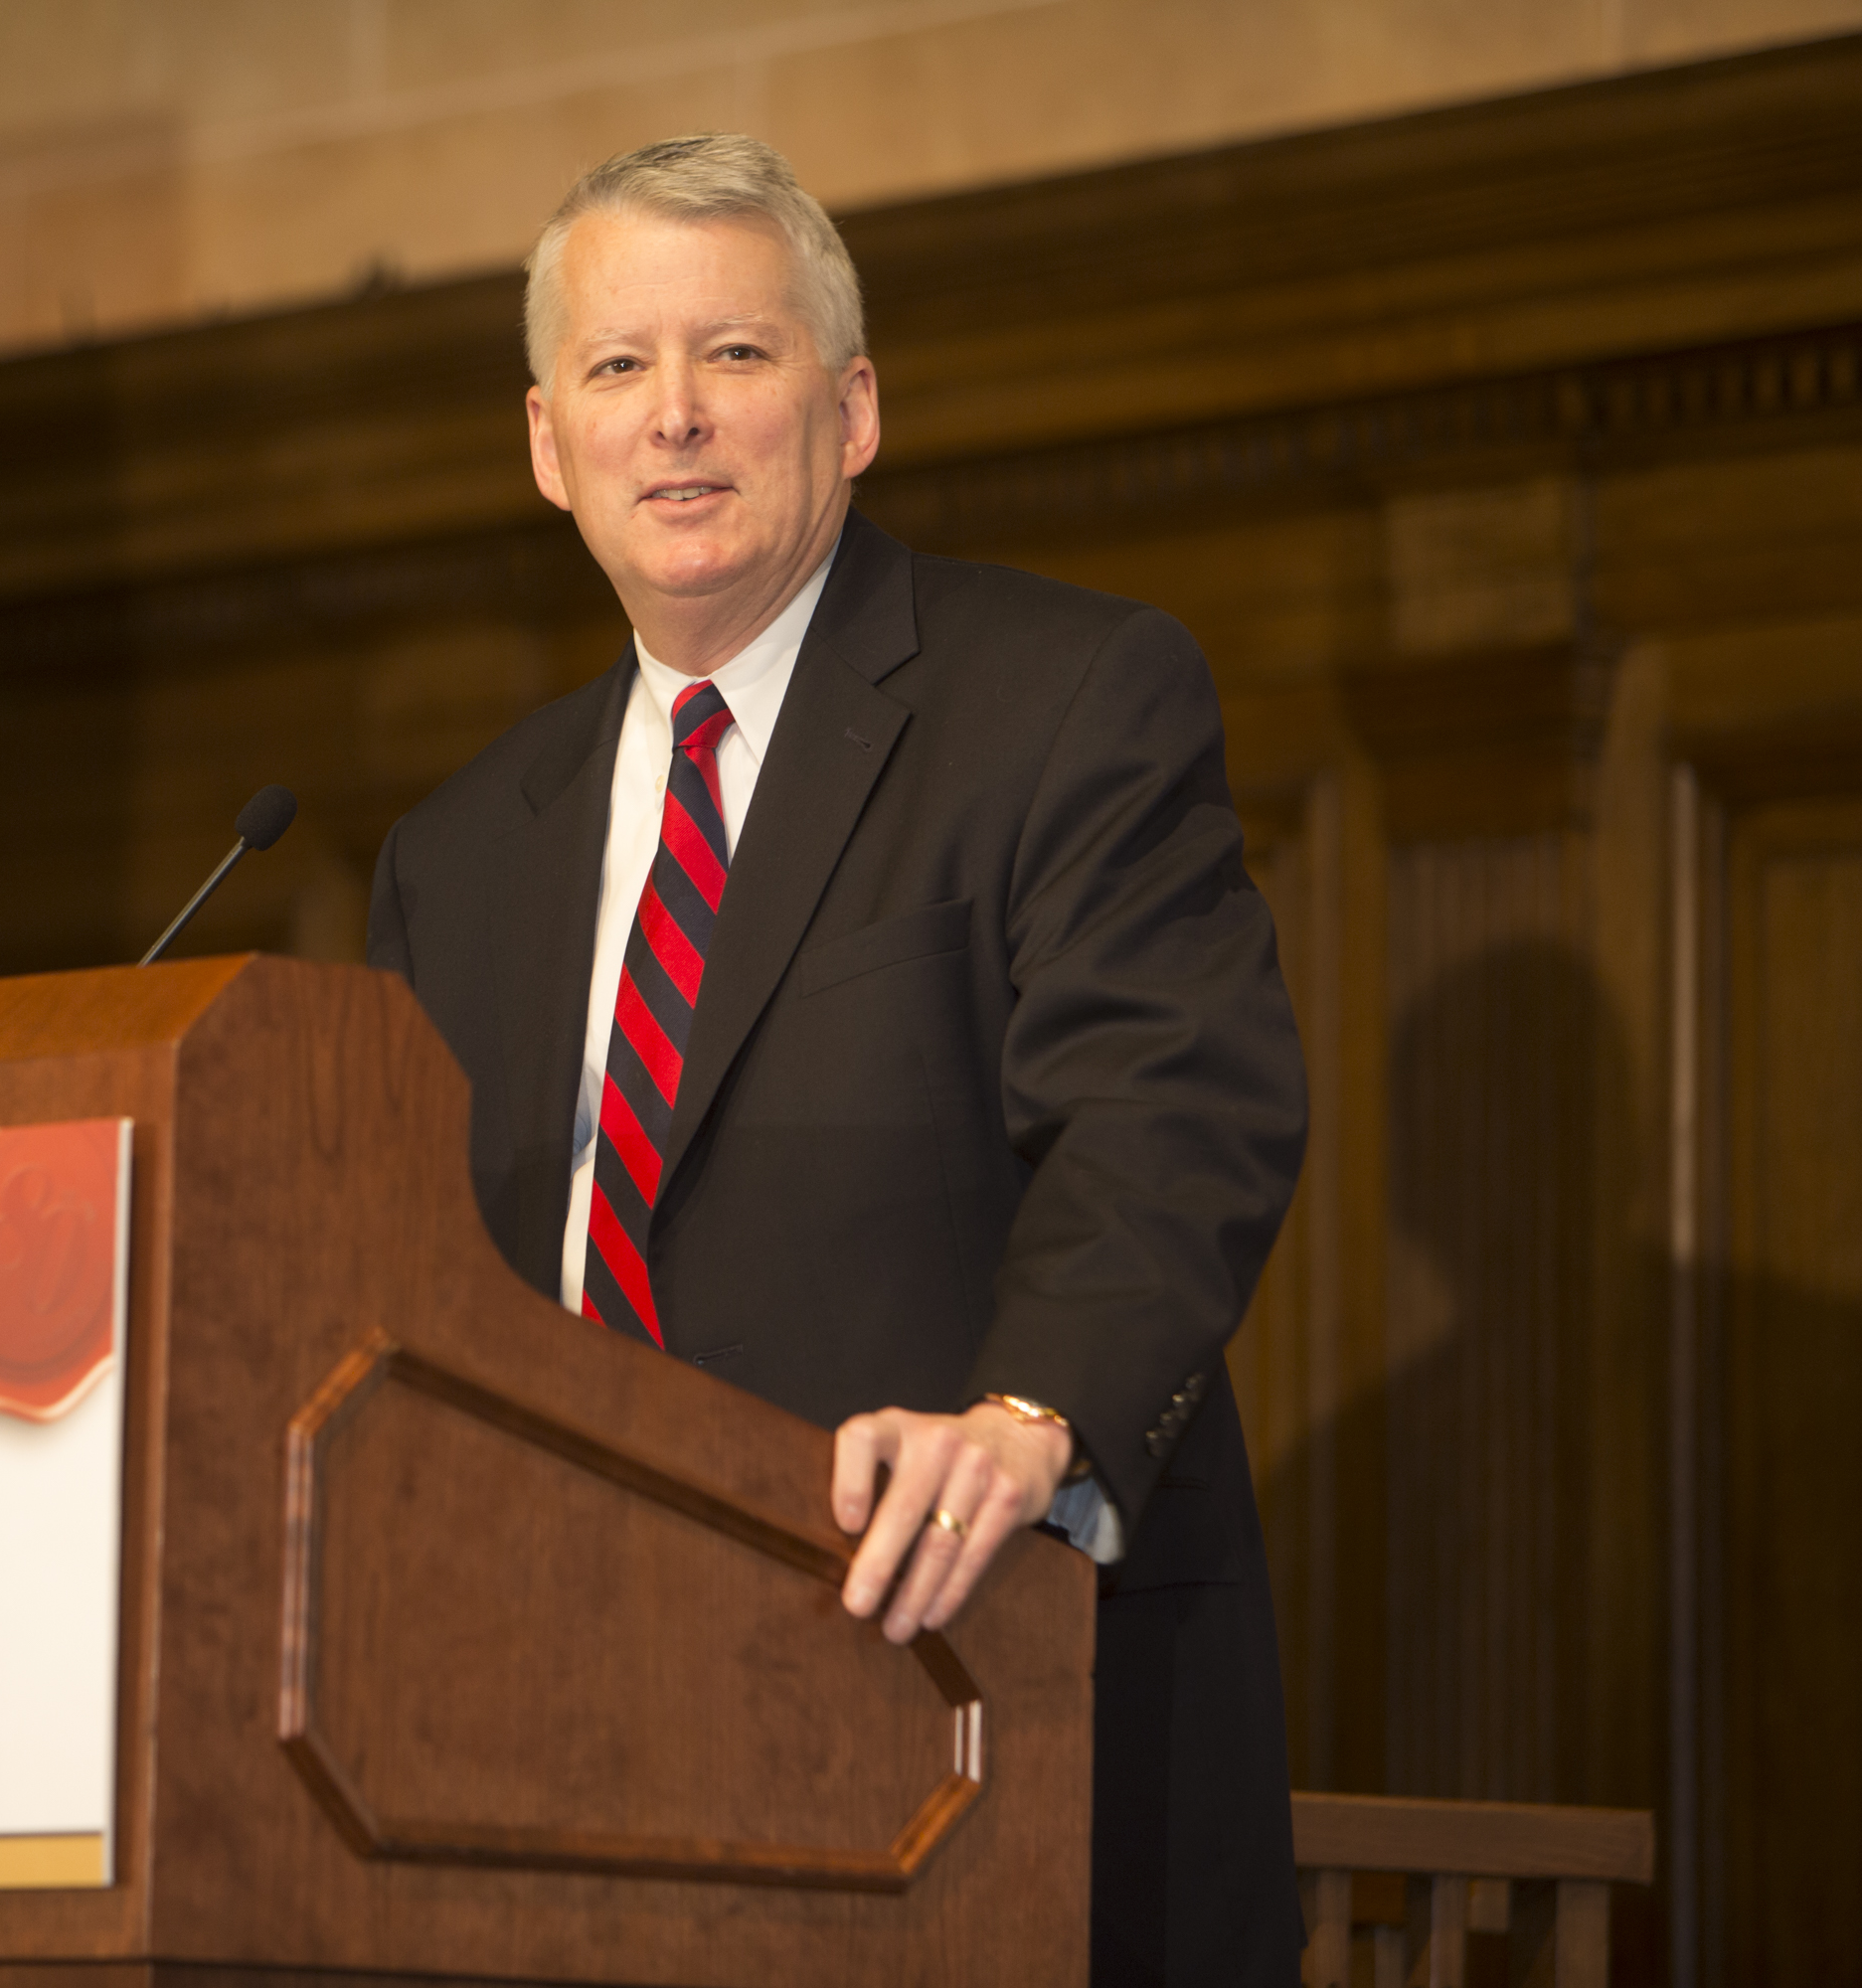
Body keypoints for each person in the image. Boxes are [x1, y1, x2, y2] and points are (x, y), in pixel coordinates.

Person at [365, 133, 1306, 1985]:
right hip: (542, 1738)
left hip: (962, 1689)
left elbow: (1171, 1112)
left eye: (739, 355)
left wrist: (1030, 1420)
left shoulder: (1062, 699)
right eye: (619, 370)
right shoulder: (458, 848)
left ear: (853, 408)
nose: (678, 419)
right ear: (551, 446)